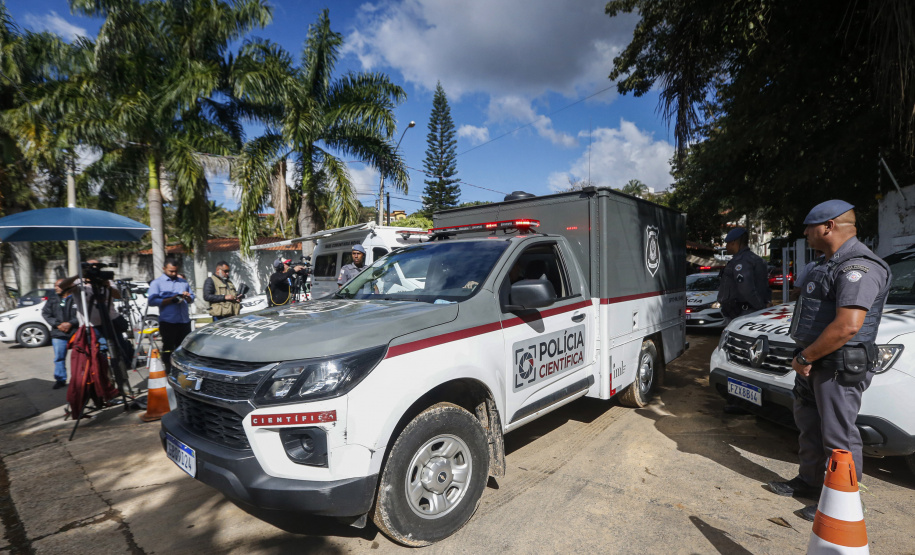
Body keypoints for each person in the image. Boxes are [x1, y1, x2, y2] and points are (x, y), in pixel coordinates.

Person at [767, 200, 890, 522]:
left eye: (809, 227)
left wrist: (807, 356)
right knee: (809, 424)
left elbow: (848, 325)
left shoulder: (859, 268)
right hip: (814, 361)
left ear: (828, 226)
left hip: (837, 365)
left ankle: (842, 501)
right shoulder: (826, 264)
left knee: (839, 436)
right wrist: (805, 356)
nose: (806, 233)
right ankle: (809, 482)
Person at [58, 259, 132, 361]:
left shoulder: (106, 280)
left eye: (96, 266)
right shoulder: (78, 282)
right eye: (90, 266)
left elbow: (118, 295)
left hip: (110, 321)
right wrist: (78, 275)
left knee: (119, 348)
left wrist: (108, 286)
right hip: (91, 325)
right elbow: (62, 285)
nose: (94, 268)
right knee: (96, 353)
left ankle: (120, 368)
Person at [147, 257, 195, 372]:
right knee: (168, 347)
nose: (173, 273)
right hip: (168, 321)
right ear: (164, 269)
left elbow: (192, 298)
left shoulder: (183, 282)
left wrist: (188, 297)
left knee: (184, 348)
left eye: (175, 271)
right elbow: (152, 301)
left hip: (183, 321)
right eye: (171, 271)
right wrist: (170, 300)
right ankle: (169, 370)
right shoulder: (157, 283)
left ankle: (182, 370)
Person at [718, 227, 771, 325]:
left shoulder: (742, 261)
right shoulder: (749, 259)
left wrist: (761, 308)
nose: (726, 246)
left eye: (727, 243)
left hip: (743, 313)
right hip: (740, 312)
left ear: (734, 242)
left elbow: (746, 289)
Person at [41, 279, 79, 389]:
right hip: (59, 333)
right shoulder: (52, 299)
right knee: (59, 357)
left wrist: (71, 324)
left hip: (75, 332)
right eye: (55, 285)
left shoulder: (77, 298)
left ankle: (79, 379)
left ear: (66, 286)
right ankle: (60, 379)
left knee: (79, 357)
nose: (55, 288)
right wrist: (58, 325)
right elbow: (46, 313)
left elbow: (82, 314)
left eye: (58, 286)